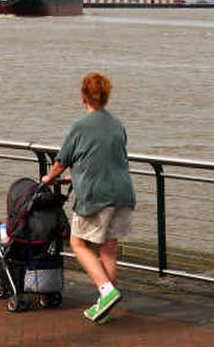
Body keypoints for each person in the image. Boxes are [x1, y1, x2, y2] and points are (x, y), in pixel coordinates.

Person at [42, 72, 136, 323]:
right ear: (106, 96)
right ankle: (105, 308)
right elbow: (110, 158)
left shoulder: (80, 126)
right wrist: (80, 174)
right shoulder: (117, 124)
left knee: (78, 243)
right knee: (108, 251)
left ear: (83, 96)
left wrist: (48, 179)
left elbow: (61, 162)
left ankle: (106, 292)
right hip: (123, 193)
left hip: (97, 196)